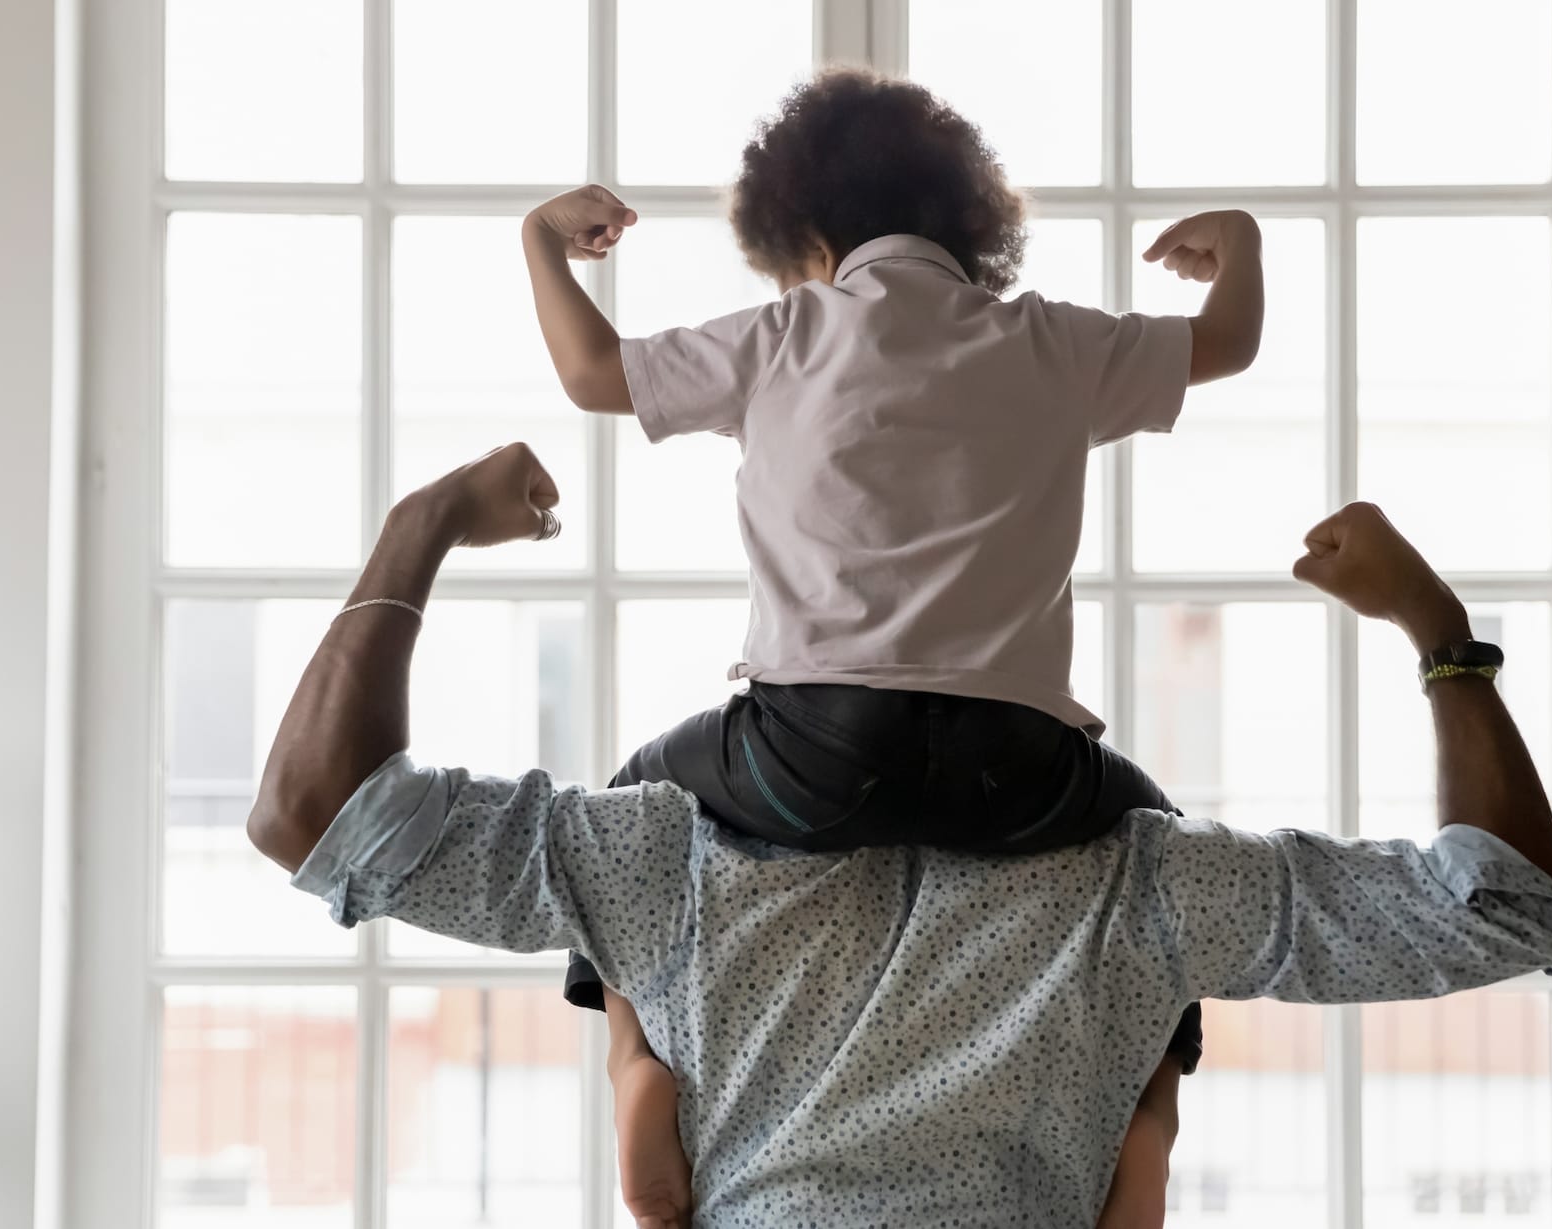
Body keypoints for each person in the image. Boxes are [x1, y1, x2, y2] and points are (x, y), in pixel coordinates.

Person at [246, 444, 1552, 1229]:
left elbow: (311, 810)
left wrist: (424, 527)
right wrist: (1439, 637)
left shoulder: (663, 858)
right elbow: (1510, 910)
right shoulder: (1142, 881)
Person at [519, 68, 1266, 1220]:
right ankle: (1143, 1116)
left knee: (629, 806)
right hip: (1020, 771)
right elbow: (1225, 344)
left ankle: (638, 1059)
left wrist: (541, 244)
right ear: (971, 221)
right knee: (1151, 850)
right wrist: (1239, 244)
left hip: (804, 754)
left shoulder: (783, 333)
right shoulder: (1048, 341)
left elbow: (587, 372)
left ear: (802, 231)